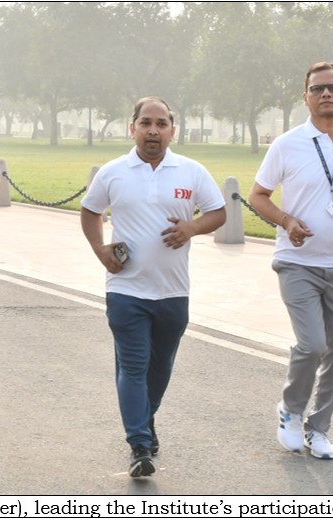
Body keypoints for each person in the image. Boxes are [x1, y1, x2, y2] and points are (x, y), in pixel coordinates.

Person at [248, 62, 333, 461]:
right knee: (312, 345)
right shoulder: (287, 144)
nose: (325, 93)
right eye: (317, 88)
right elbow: (258, 195)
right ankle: (291, 410)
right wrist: (287, 220)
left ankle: (319, 427)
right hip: (297, 262)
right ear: (305, 97)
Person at [80, 96, 226, 478]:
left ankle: (144, 419)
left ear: (172, 131)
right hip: (126, 289)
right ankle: (139, 444)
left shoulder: (191, 171)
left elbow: (218, 212)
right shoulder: (113, 172)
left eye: (161, 124)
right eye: (146, 123)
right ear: (133, 128)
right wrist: (100, 248)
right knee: (133, 365)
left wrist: (192, 227)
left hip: (173, 292)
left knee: (160, 368)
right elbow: (90, 211)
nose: (153, 131)